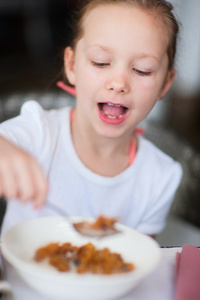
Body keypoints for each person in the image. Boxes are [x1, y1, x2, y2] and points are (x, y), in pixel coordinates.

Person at [0, 0, 182, 237]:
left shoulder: (160, 177)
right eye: (101, 62)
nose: (118, 83)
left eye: (142, 70)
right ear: (72, 65)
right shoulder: (37, 132)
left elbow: (140, 261)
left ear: (165, 84)